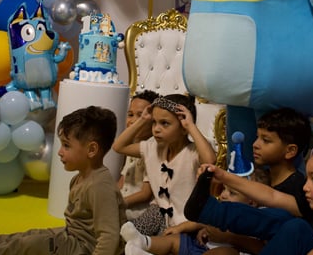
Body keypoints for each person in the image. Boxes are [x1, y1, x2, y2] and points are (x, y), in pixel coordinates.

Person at [0, 106, 126, 255]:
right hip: (73, 238)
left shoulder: (101, 187)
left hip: (84, 249)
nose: (59, 151)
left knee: (29, 245)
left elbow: (109, 236)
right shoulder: (80, 178)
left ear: (91, 150)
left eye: (66, 146)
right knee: (28, 236)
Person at [183, 142, 313, 255]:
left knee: (297, 228)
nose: (305, 186)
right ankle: (209, 210)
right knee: (279, 217)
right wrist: (224, 176)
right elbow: (271, 195)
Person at [113, 94, 217, 234]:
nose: (156, 129)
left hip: (185, 221)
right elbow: (119, 147)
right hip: (158, 213)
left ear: (183, 126)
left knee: (161, 244)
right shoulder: (152, 148)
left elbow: (210, 160)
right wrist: (143, 119)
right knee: (127, 235)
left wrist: (190, 126)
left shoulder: (193, 152)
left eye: (164, 123)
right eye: (154, 122)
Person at [120, 169, 270, 255]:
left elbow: (259, 247)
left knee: (224, 253)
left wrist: (230, 238)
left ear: (252, 202)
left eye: (232, 193)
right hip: (200, 246)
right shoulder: (222, 209)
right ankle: (143, 242)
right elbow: (200, 221)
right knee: (176, 240)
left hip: (223, 252)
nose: (223, 195)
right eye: (224, 189)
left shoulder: (256, 219)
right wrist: (182, 227)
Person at [119, 90, 159, 225]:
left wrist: (119, 203)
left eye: (141, 116)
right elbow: (123, 179)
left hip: (138, 213)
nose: (133, 121)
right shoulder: (131, 145)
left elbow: (146, 194)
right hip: (123, 206)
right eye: (130, 115)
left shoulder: (154, 148)